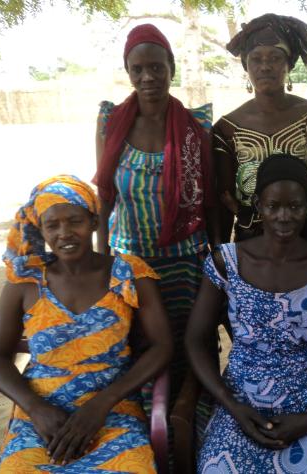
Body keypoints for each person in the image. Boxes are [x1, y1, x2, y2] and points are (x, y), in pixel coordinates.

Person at [186, 154, 307, 473]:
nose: (284, 216)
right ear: (258, 206)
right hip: (241, 402)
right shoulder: (227, 262)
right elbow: (195, 338)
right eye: (274, 206)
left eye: (295, 206)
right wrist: (230, 404)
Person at [0, 175, 172, 472]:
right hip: (41, 416)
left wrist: (103, 402)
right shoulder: (26, 282)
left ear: (94, 222)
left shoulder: (128, 274)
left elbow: (162, 346)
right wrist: (35, 408)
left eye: (75, 221)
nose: (64, 233)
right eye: (52, 225)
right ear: (40, 229)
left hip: (113, 408)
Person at [93, 24, 216, 408]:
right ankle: (144, 422)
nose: (148, 77)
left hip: (185, 259)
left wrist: (215, 259)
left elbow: (209, 198)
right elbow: (105, 196)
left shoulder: (196, 125)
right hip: (129, 262)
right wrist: (102, 259)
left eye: (157, 67)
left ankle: (189, 419)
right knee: (136, 343)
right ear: (128, 72)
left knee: (187, 341)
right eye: (138, 69)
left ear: (171, 68)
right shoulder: (110, 122)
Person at [214, 13, 307, 242]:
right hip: (251, 246)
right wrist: (221, 253)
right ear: (246, 66)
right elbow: (224, 198)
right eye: (256, 59)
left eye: (275, 58)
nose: (265, 66)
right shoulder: (226, 128)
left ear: (289, 64)